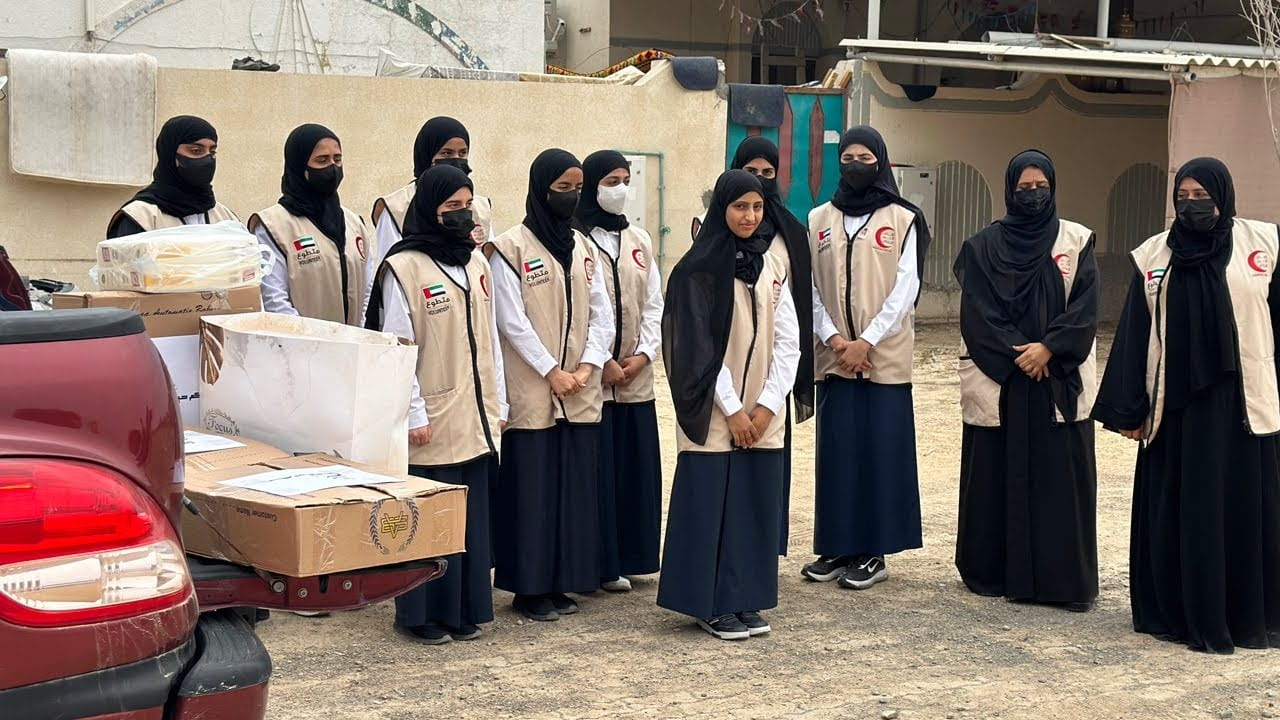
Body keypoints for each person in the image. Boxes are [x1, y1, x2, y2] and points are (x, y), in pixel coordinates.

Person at [1093, 157, 1280, 654]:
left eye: (1203, 195)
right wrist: (1128, 410)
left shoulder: (1262, 244)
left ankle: (1248, 615)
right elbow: (1135, 332)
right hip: (1175, 409)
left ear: (1225, 195)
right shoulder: (1154, 254)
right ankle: (1177, 610)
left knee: (1244, 507)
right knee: (1182, 506)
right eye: (1184, 196)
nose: (1193, 205)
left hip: (1243, 407)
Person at [952, 150, 1100, 612]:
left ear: (1052, 187)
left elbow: (1086, 305)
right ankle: (994, 573)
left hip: (1056, 378)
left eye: (1040, 187)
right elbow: (978, 311)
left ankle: (1060, 580)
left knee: (1061, 479)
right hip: (1005, 381)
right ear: (1009, 190)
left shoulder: (1076, 240)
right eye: (1024, 188)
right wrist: (1021, 353)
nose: (1032, 195)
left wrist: (1049, 349)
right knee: (998, 473)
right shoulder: (982, 246)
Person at [364, 164, 505, 645]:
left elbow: (491, 340)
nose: (462, 216)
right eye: (451, 208)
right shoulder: (403, 269)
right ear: (429, 209)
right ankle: (421, 614)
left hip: (476, 414)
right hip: (432, 415)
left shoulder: (477, 263)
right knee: (430, 517)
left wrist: (498, 401)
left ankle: (465, 610)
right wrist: (415, 413)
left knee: (469, 519)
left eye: (467, 207)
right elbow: (396, 348)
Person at [657, 169, 800, 641]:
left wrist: (766, 405)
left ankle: (744, 597)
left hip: (762, 411)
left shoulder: (773, 264)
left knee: (751, 505)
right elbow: (698, 350)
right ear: (722, 209)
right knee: (711, 503)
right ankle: (707, 602)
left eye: (757, 207)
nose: (750, 216)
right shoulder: (696, 270)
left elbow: (789, 343)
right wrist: (734, 409)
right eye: (740, 206)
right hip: (716, 409)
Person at [486, 149, 615, 622]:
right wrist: (550, 370)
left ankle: (563, 579)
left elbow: (602, 313)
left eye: (578, 188)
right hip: (534, 391)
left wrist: (586, 366)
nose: (572, 196)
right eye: (563, 188)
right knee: (533, 491)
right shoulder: (509, 248)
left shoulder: (583, 247)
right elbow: (510, 320)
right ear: (541, 189)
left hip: (578, 389)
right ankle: (529, 588)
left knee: (571, 488)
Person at [802, 126, 931, 590]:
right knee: (838, 453)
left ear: (880, 160)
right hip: (836, 357)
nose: (856, 165)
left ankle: (874, 551)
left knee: (880, 453)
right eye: (848, 157)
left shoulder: (903, 218)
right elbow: (810, 287)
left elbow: (906, 287)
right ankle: (837, 544)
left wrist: (867, 341)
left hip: (883, 359)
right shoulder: (818, 219)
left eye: (865, 157)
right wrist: (836, 339)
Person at [572, 150, 663, 592]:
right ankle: (603, 564)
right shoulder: (575, 240)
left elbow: (653, 305)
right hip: (594, 380)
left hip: (635, 379)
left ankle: (633, 555)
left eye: (626, 179)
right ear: (592, 185)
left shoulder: (639, 241)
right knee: (599, 474)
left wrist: (643, 355)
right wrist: (601, 360)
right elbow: (582, 312)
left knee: (633, 470)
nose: (620, 188)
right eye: (611, 180)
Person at [728, 136, 816, 556]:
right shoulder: (717, 228)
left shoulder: (790, 230)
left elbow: (798, 297)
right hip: (730, 362)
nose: (760, 183)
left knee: (769, 453)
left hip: (776, 359)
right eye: (751, 174)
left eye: (767, 174)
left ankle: (764, 549)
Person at [249, 124, 374, 325]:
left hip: (353, 348)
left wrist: (361, 335)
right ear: (299, 167)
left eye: (338, 159)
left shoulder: (354, 223)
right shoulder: (273, 226)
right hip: (299, 349)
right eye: (321, 160)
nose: (332, 167)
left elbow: (368, 289)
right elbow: (273, 299)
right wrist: (312, 345)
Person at [368, 117, 495, 312]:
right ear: (426, 155)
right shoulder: (396, 207)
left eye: (463, 153)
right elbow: (393, 272)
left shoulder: (479, 205)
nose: (456, 160)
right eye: (446, 153)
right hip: (425, 309)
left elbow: (486, 271)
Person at [107, 115, 239, 237]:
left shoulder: (226, 217)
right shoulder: (141, 217)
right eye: (196, 151)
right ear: (169, 154)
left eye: (212, 151)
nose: (207, 159)